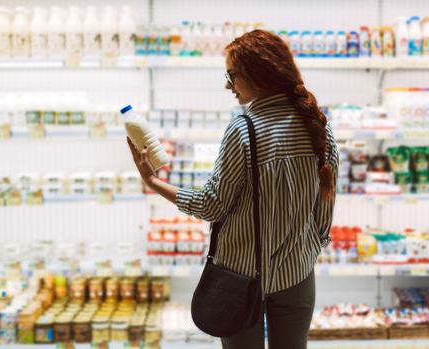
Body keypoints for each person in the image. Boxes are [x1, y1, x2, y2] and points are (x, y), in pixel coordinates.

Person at [127, 29, 339, 349]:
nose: (228, 85)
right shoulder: (316, 126)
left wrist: (154, 183)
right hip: (297, 275)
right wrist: (308, 248)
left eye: (232, 75)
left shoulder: (244, 129)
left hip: (240, 277)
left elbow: (212, 205)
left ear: (259, 73)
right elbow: (324, 207)